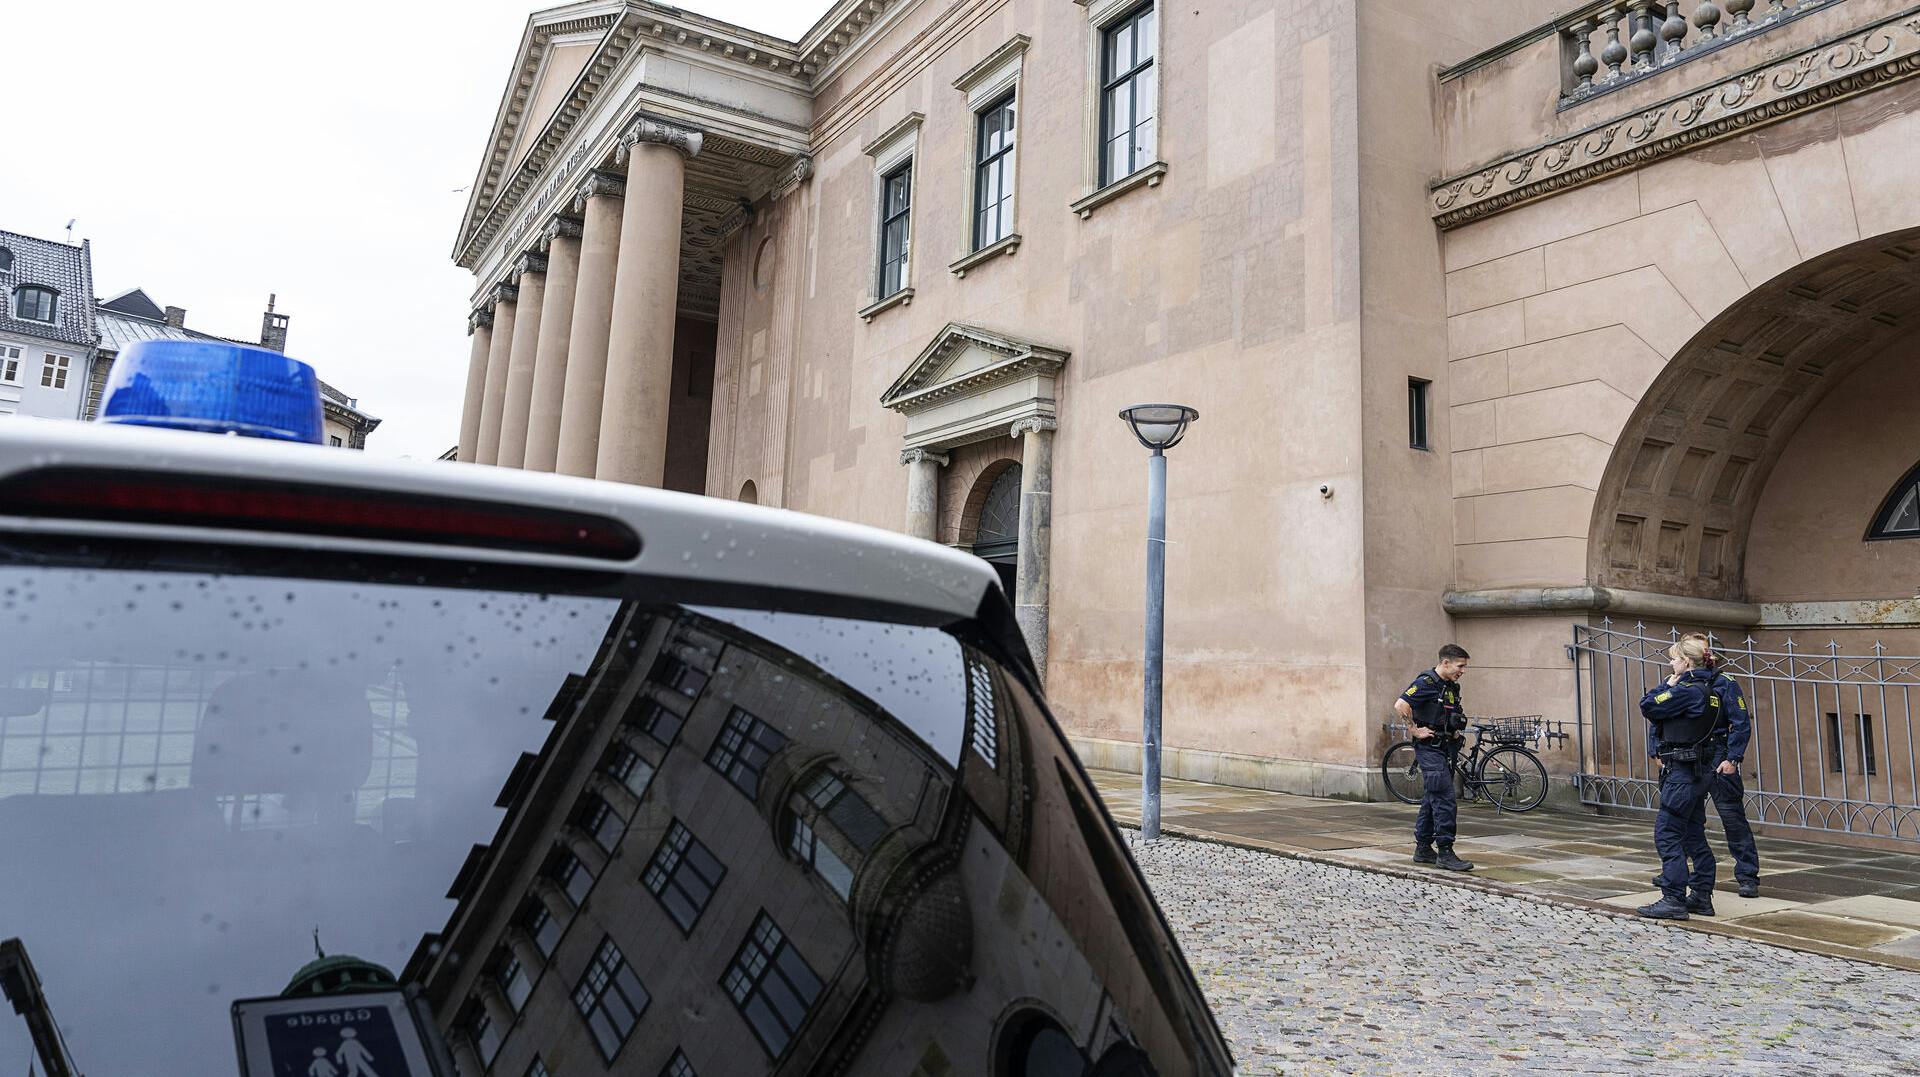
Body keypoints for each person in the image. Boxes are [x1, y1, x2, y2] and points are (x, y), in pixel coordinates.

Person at [1637, 637, 1719, 920]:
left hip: (1682, 774)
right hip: (1697, 772)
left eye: (1674, 659)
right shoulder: (1709, 689)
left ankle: (1673, 898)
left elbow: (1648, 705)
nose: (1670, 663)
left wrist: (1668, 685)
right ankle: (1701, 896)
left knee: (1668, 834)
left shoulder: (1687, 690)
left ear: (1686, 662)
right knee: (1694, 834)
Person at [1684, 631, 1762, 898]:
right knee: (1685, 817)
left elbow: (1741, 722)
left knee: (1732, 819)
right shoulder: (1679, 682)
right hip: (1690, 757)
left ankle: (1747, 876)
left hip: (1718, 755)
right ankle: (1678, 873)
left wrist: (1733, 758)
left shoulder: (1725, 683)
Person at [1395, 644, 1474, 872]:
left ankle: (1423, 848)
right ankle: (1445, 851)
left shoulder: (1449, 686)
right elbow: (1401, 705)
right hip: (1429, 748)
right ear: (1445, 662)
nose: (1463, 670)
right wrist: (1415, 730)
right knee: (1445, 798)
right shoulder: (1426, 683)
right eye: (1461, 666)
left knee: (1433, 796)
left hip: (1445, 747)